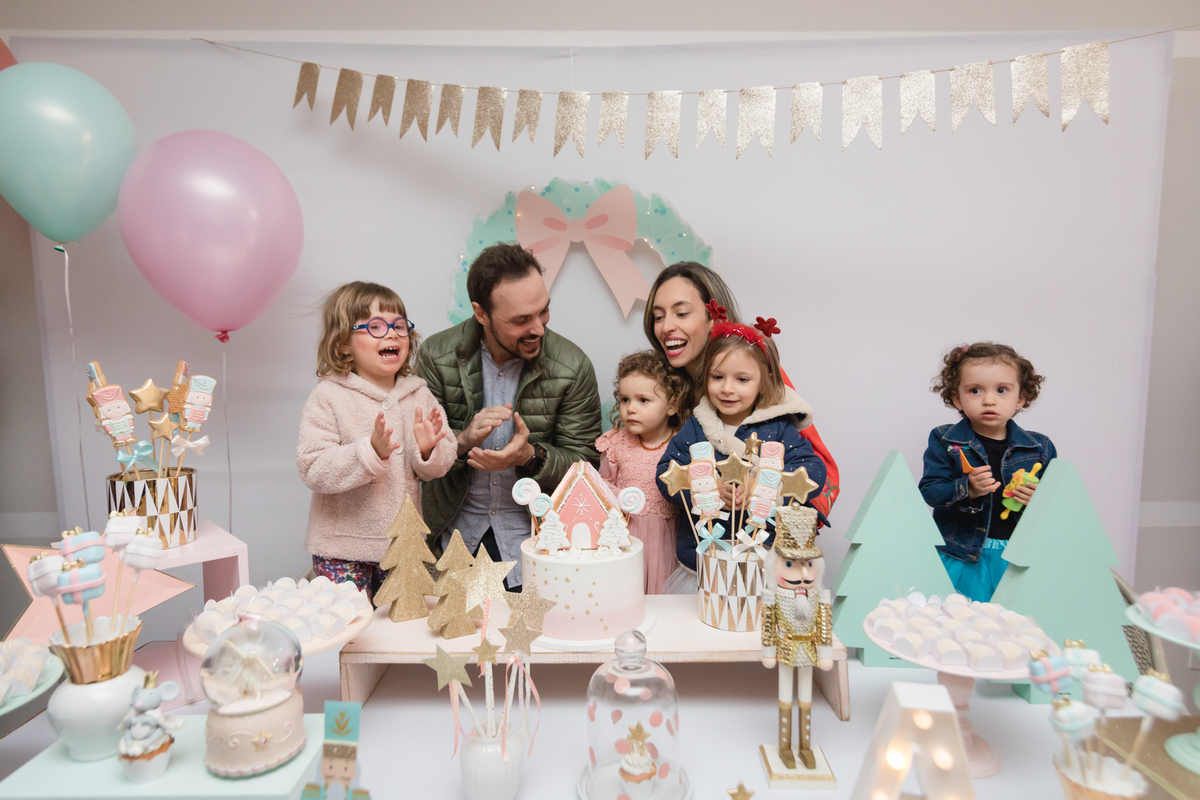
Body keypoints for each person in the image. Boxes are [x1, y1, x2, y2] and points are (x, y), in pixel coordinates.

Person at [417, 243, 602, 590]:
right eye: (521, 320)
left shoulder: (573, 366)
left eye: (543, 312)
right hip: (453, 541)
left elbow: (587, 469)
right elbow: (417, 459)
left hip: (536, 547)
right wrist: (461, 441)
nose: (539, 329)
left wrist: (531, 457)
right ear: (481, 313)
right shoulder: (437, 356)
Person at [644, 262, 840, 522]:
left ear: (713, 316)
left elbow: (818, 468)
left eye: (681, 313)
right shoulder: (659, 382)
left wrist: (768, 495)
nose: (666, 326)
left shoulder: (760, 378)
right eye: (658, 316)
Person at [298, 281, 456, 599]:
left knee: (396, 633)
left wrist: (429, 449)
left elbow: (441, 460)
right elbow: (313, 467)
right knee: (349, 633)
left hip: (403, 547)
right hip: (342, 549)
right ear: (343, 343)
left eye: (399, 326)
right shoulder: (329, 396)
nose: (392, 334)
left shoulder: (418, 393)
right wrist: (369, 452)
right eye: (375, 326)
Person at [657, 303, 826, 587]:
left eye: (742, 379)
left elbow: (813, 471)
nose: (727, 389)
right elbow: (666, 472)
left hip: (761, 562)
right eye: (717, 377)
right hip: (704, 561)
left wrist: (763, 484)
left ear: (764, 382)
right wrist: (708, 488)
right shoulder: (697, 426)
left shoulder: (779, 428)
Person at [919, 342, 1056, 602]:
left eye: (1002, 390)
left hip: (1016, 557)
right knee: (959, 625)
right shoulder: (945, 440)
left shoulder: (1040, 448)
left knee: (1012, 630)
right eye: (975, 390)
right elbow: (930, 491)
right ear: (957, 398)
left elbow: (1055, 511)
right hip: (961, 555)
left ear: (1021, 398)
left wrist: (1038, 500)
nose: (989, 400)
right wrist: (967, 488)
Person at [596, 351, 690, 594]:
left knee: (662, 597)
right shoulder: (616, 443)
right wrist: (620, 497)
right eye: (625, 400)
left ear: (671, 405)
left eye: (643, 400)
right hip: (627, 534)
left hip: (666, 538)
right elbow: (602, 483)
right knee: (627, 592)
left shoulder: (681, 445)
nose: (631, 409)